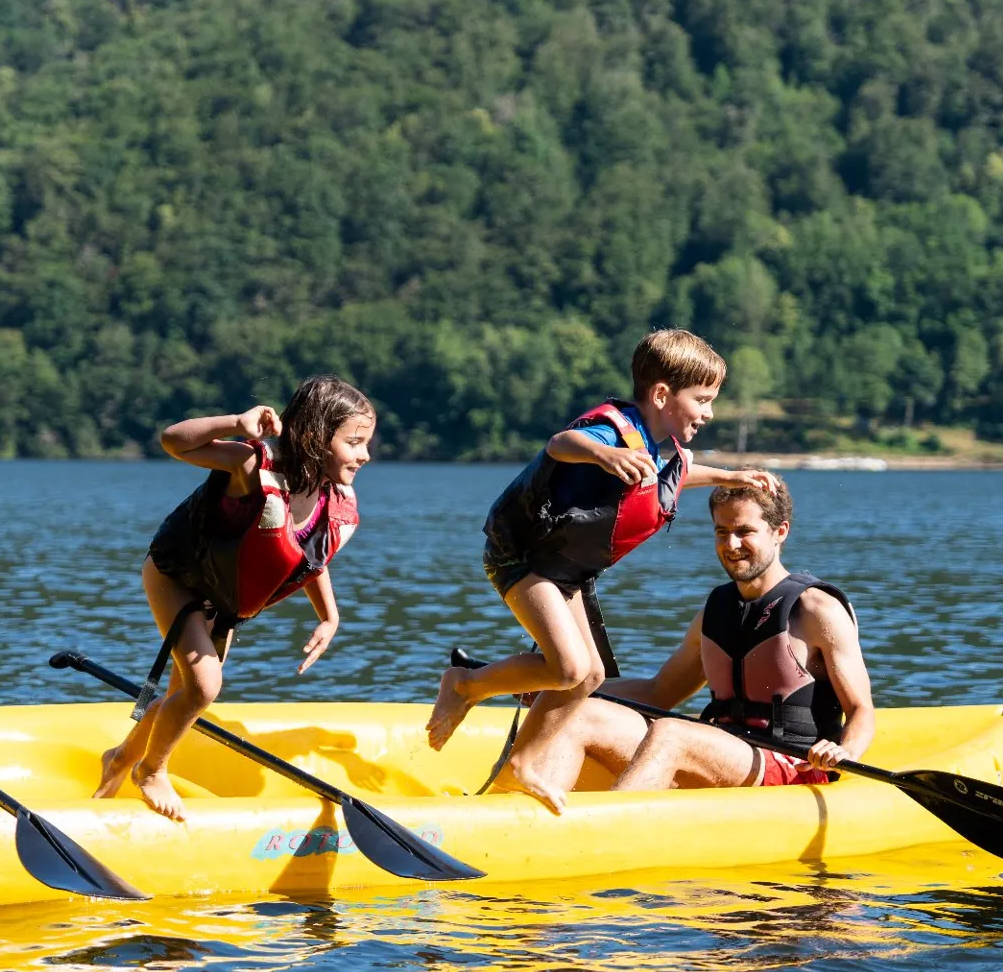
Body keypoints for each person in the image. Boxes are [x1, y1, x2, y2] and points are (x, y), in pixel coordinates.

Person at [423, 329, 778, 812]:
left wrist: (730, 476)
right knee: (567, 666)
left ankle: (521, 765)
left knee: (588, 676)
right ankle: (465, 684)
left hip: (563, 573)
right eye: (703, 399)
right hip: (522, 559)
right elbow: (561, 443)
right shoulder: (615, 430)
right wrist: (605, 454)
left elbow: (669, 480)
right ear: (661, 394)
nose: (709, 412)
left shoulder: (659, 447)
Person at [95, 375, 375, 820]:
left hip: (220, 603)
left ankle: (120, 759)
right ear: (316, 437)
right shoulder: (251, 467)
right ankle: (151, 770)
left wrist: (330, 616)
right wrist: (236, 423)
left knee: (182, 693)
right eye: (354, 442)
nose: (365, 455)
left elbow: (308, 557)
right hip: (177, 579)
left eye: (366, 443)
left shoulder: (331, 498)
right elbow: (173, 442)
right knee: (204, 687)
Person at [522, 476, 875, 798]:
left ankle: (605, 834)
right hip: (723, 752)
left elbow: (861, 711)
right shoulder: (716, 609)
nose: (731, 544)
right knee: (578, 711)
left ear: (779, 532)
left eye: (744, 531)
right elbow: (659, 692)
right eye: (721, 532)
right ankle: (536, 821)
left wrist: (843, 751)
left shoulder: (816, 609)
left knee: (672, 733)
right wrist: (558, 691)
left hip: (792, 766)